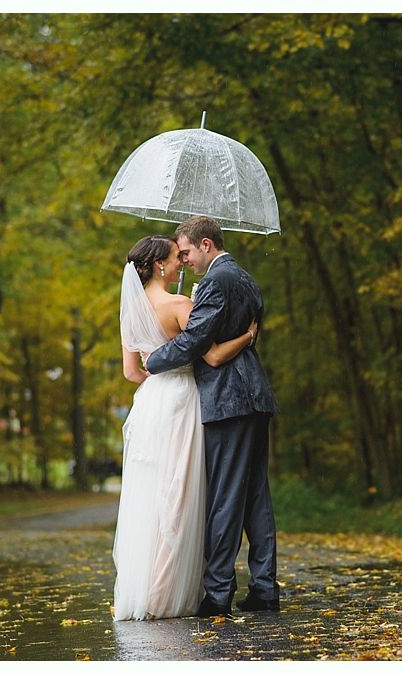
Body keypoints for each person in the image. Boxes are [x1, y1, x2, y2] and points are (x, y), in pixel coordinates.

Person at [113, 234, 257, 621]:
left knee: (151, 495)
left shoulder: (131, 310)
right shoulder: (180, 304)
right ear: (160, 264)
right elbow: (210, 355)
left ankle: (146, 590)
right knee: (182, 495)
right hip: (181, 403)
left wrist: (156, 388)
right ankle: (172, 590)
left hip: (150, 406)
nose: (181, 263)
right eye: (176, 259)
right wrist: (246, 336)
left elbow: (131, 372)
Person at [144, 216, 279, 618]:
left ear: (206, 244)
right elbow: (243, 333)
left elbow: (196, 338)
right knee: (256, 496)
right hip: (254, 396)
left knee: (225, 496)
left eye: (185, 252)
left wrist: (155, 361)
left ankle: (218, 593)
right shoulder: (245, 278)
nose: (182, 260)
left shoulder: (218, 281)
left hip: (229, 399)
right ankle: (265, 588)